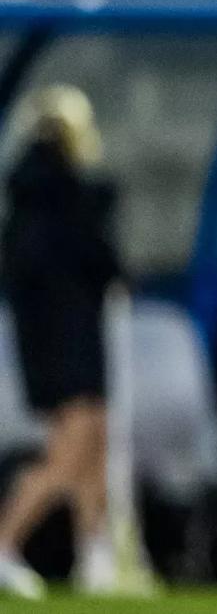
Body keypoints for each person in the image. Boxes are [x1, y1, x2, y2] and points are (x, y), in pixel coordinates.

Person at [0, 86, 119, 599]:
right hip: (65, 342)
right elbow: (98, 264)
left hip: (62, 341)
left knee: (94, 447)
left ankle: (96, 555)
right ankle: (5, 542)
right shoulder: (63, 202)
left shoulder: (28, 203)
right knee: (68, 455)